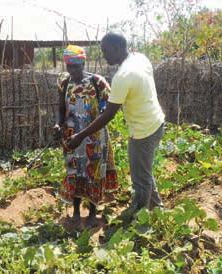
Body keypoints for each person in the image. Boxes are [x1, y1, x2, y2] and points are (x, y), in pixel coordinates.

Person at [67, 33, 165, 224]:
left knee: (140, 180)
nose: (103, 55)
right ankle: (157, 208)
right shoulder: (139, 58)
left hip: (143, 131)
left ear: (117, 47)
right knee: (144, 171)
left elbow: (109, 115)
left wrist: (80, 135)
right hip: (156, 121)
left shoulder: (123, 76)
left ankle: (138, 220)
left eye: (105, 50)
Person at [55, 45, 118, 227]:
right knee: (73, 171)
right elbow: (60, 108)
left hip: (94, 137)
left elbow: (107, 112)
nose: (73, 70)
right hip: (71, 138)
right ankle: (75, 211)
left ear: (83, 62)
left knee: (93, 173)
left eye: (76, 66)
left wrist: (84, 134)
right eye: (69, 66)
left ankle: (92, 213)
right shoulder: (64, 82)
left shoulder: (98, 83)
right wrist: (58, 124)